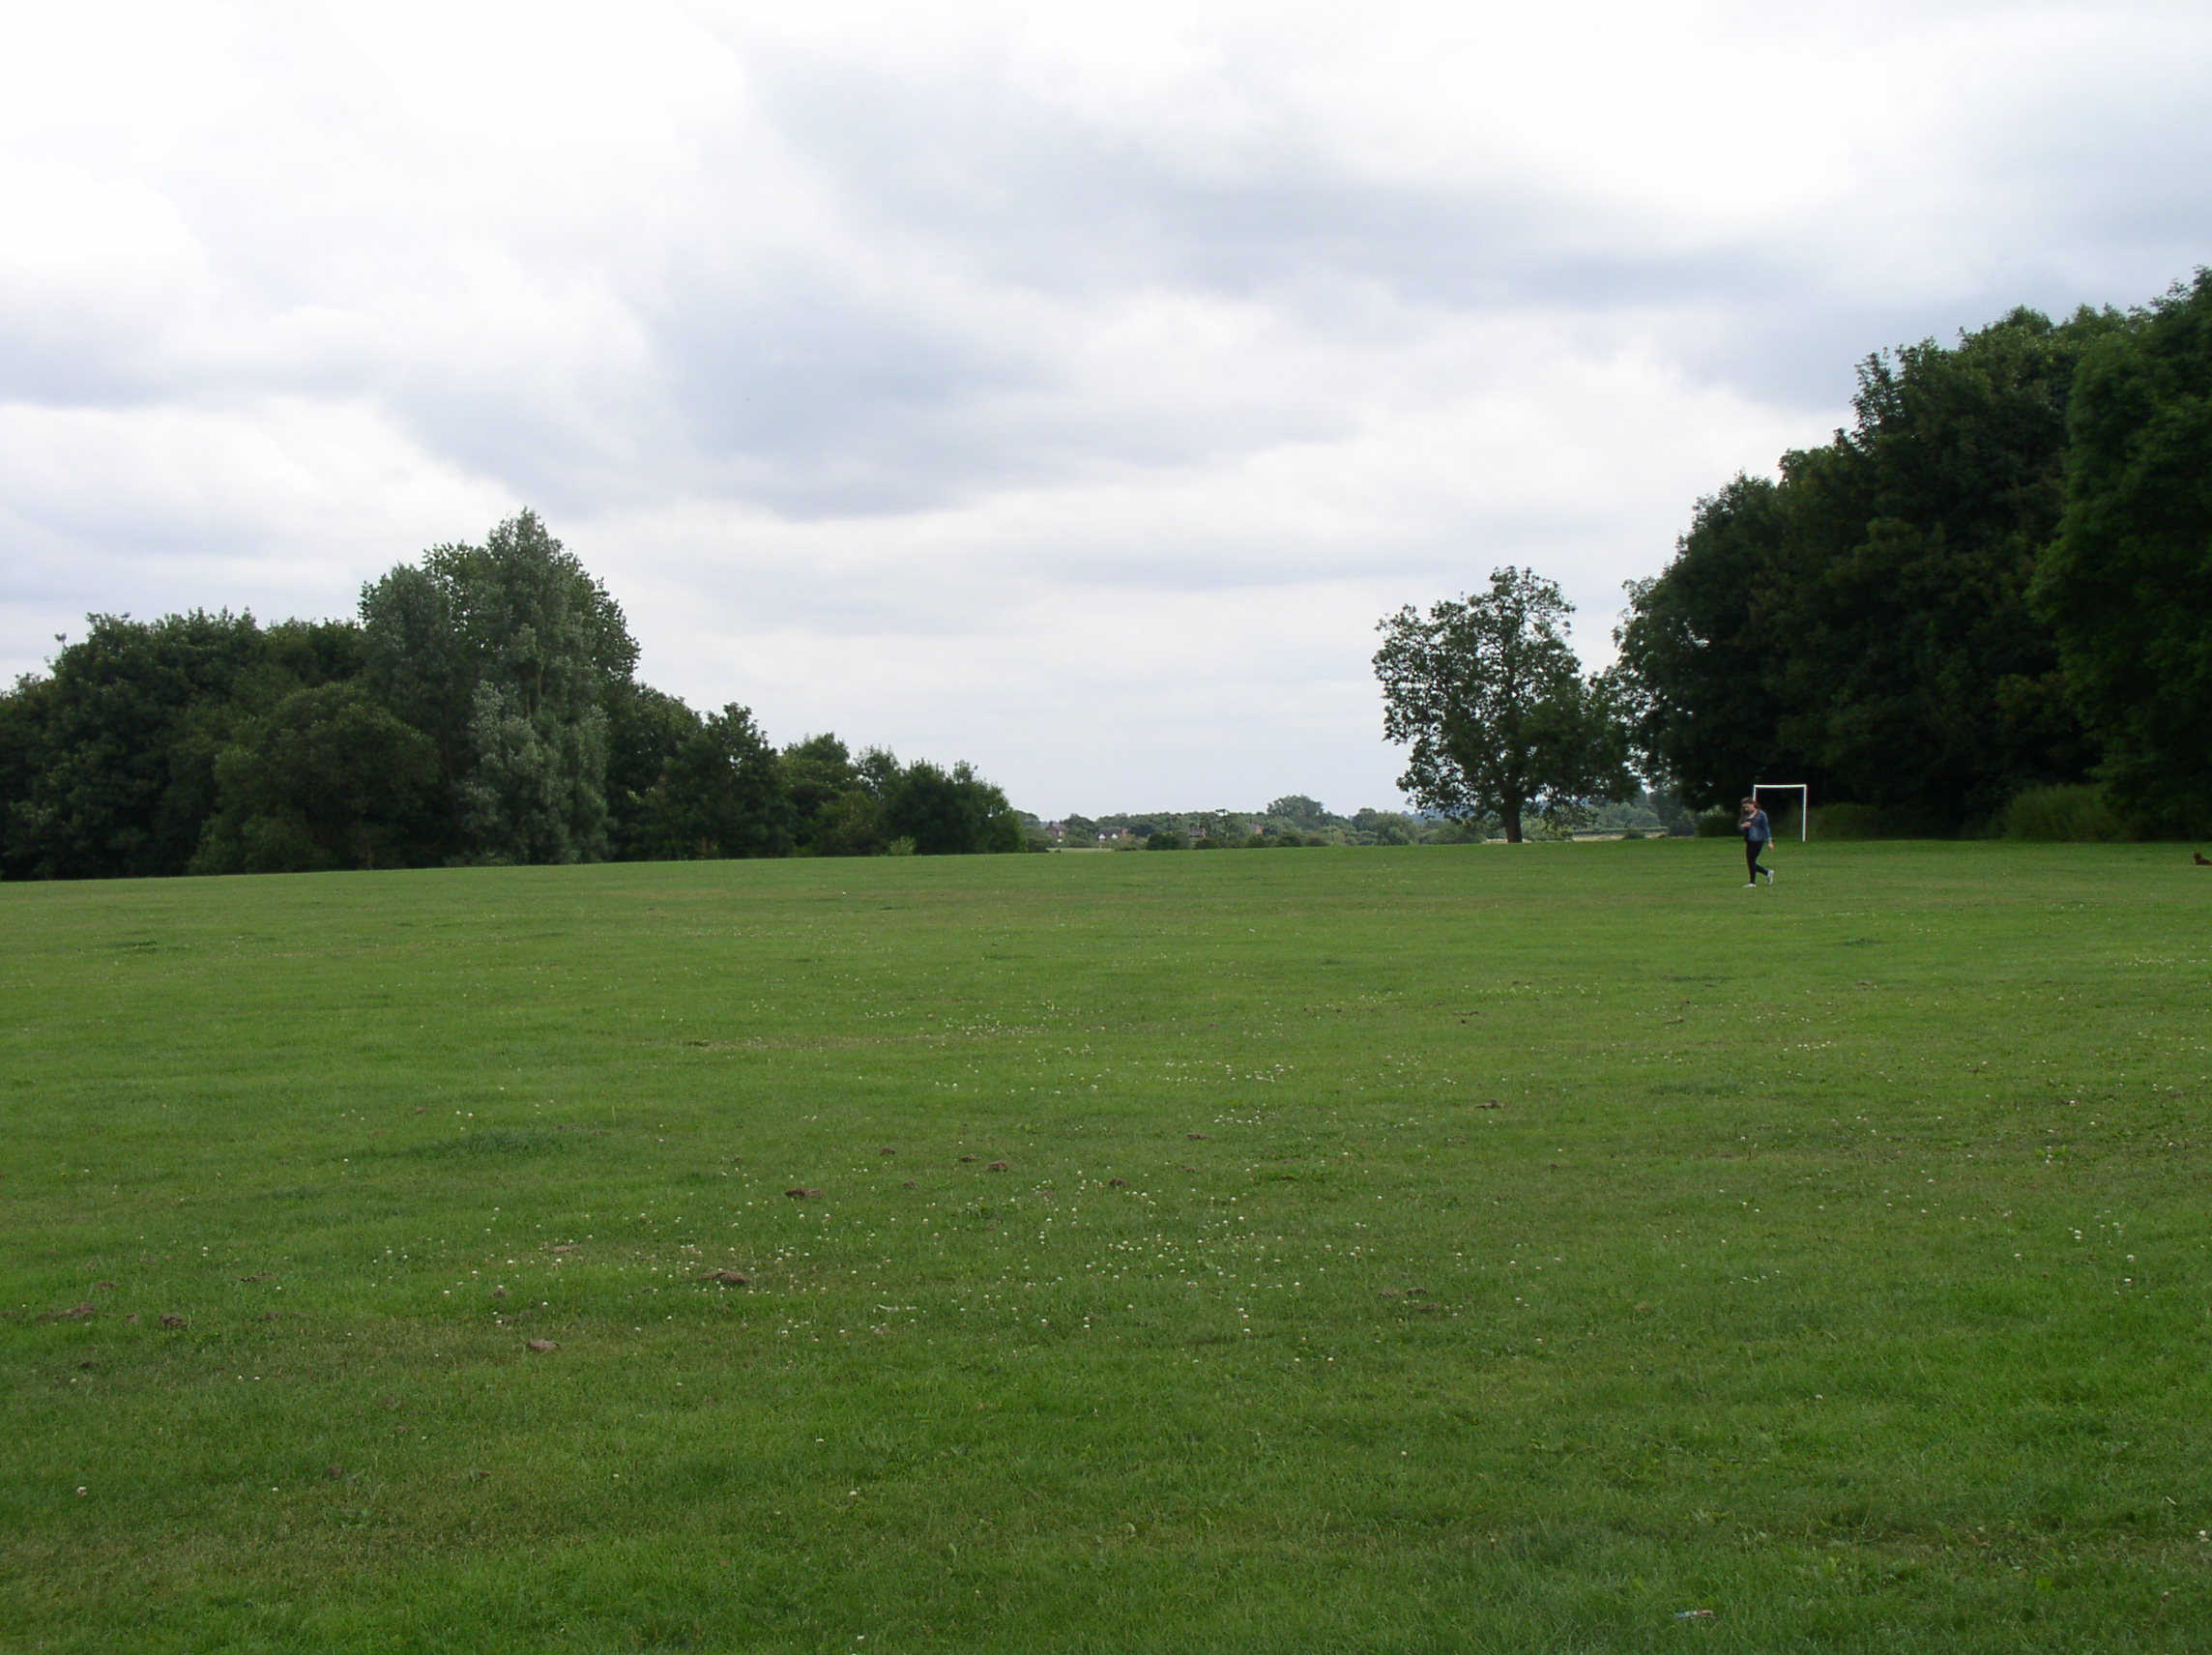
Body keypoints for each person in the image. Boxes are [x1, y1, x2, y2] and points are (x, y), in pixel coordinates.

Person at [1737, 797, 1774, 886]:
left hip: (1758, 840)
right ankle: (1767, 873)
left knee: (1751, 860)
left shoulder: (1761, 814)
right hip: (1749, 840)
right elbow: (1740, 827)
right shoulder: (1746, 815)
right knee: (1750, 861)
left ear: (1753, 804)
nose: (1746, 809)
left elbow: (1766, 828)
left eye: (1747, 806)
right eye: (1744, 807)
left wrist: (1769, 841)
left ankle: (1752, 882)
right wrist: (1743, 826)